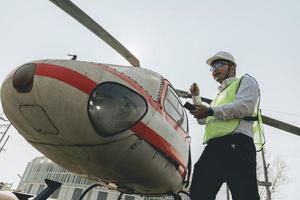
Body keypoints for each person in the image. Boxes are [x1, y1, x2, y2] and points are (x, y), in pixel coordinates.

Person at [189, 51, 263, 200]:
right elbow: (204, 120)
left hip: (238, 146)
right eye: (213, 67)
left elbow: (244, 107)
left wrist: (210, 110)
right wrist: (196, 99)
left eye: (219, 64)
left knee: (245, 195)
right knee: (199, 192)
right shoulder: (219, 97)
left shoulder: (245, 81)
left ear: (232, 67)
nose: (215, 69)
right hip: (214, 148)